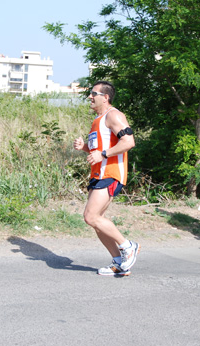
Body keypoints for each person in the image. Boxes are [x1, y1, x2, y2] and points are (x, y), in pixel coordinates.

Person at [73, 81, 139, 276]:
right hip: (98, 174)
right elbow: (99, 148)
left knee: (90, 216)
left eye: (94, 94)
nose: (90, 97)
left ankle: (128, 247)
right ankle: (119, 262)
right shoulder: (98, 119)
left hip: (110, 173)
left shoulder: (114, 115)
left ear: (106, 97)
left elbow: (128, 141)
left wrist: (102, 154)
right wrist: (85, 147)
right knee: (96, 220)